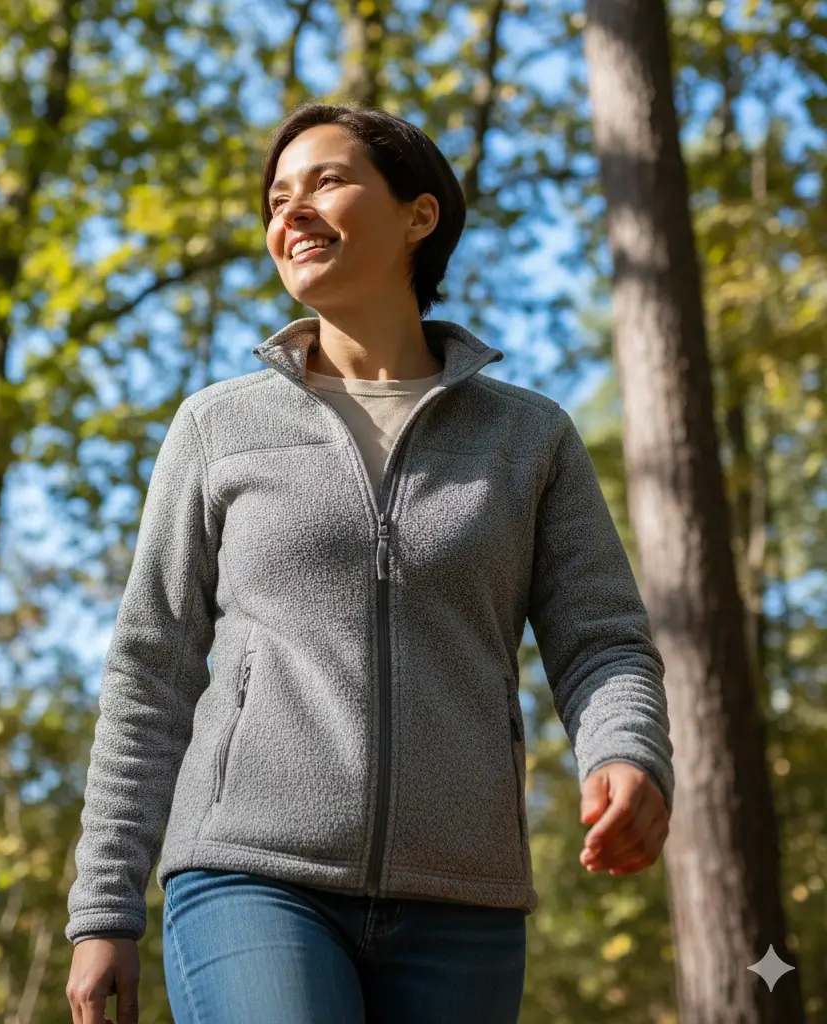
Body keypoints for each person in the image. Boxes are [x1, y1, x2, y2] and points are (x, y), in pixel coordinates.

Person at [64, 101, 674, 1024]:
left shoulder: (528, 436)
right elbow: (151, 667)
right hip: (249, 873)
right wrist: (103, 908)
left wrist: (629, 752)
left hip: (462, 899)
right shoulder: (218, 427)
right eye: (276, 199)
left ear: (418, 216)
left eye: (327, 181)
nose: (291, 213)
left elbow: (604, 641)